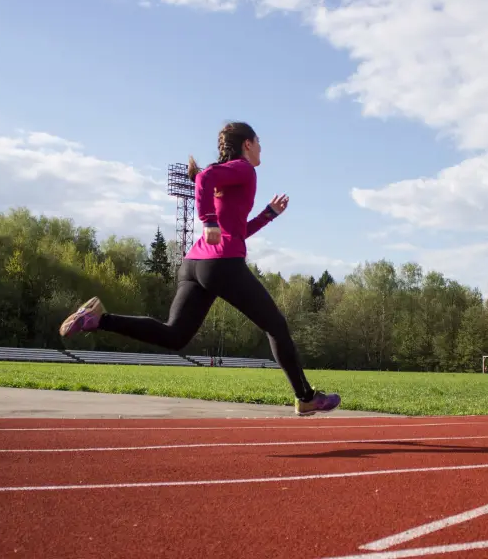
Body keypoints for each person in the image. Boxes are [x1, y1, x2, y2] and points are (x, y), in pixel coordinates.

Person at [58, 121, 341, 416]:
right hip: (221, 264)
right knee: (276, 326)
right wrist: (208, 220)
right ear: (247, 144)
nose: (261, 148)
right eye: (258, 142)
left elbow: (236, 230)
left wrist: (268, 215)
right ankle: (305, 397)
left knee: (174, 335)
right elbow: (203, 178)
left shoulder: (234, 177)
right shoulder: (244, 169)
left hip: (195, 264)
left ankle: (98, 320)